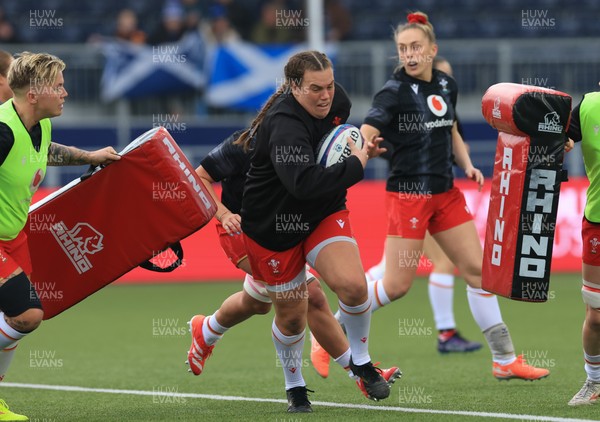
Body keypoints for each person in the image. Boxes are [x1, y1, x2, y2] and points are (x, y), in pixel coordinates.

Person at [359, 12, 549, 381]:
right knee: (397, 285)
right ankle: (333, 329)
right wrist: (363, 143)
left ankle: (504, 359)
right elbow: (369, 125)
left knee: (480, 273)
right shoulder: (393, 91)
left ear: (432, 49)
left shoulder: (446, 84)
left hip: (445, 193)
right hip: (408, 196)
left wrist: (466, 166)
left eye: (415, 47)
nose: (409, 54)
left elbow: (452, 131)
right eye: (402, 49)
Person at [186, 129, 400, 400]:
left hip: (281, 228)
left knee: (258, 302)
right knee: (309, 294)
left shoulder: (305, 140)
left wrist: (358, 156)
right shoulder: (246, 143)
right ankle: (359, 373)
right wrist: (225, 213)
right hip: (242, 230)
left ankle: (206, 329)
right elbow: (199, 175)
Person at [238, 50, 392, 413]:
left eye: (329, 85)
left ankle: (363, 362)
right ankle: (295, 387)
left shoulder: (337, 102)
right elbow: (303, 184)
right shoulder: (284, 125)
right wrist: (357, 164)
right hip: (273, 228)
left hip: (322, 213)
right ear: (294, 87)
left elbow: (331, 149)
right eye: (315, 89)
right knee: (292, 316)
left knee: (354, 286)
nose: (326, 96)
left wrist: (356, 150)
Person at [0, 52, 120, 421]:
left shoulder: (39, 123)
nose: (66, 92)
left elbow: (42, 152)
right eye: (59, 86)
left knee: (19, 317)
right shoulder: (2, 131)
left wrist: (90, 156)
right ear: (34, 93)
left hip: (14, 235)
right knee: (28, 315)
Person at [360, 56, 482, 354]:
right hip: (412, 194)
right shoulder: (401, 97)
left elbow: (452, 137)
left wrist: (463, 159)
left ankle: (350, 295)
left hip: (439, 191)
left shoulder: (443, 95)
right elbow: (381, 137)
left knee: (391, 270)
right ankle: (446, 332)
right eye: (443, 73)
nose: (446, 81)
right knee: (419, 271)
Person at [567, 89, 600, 405]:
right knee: (596, 312)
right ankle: (594, 381)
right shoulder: (589, 105)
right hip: (598, 220)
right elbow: (555, 137)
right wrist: (560, 144)